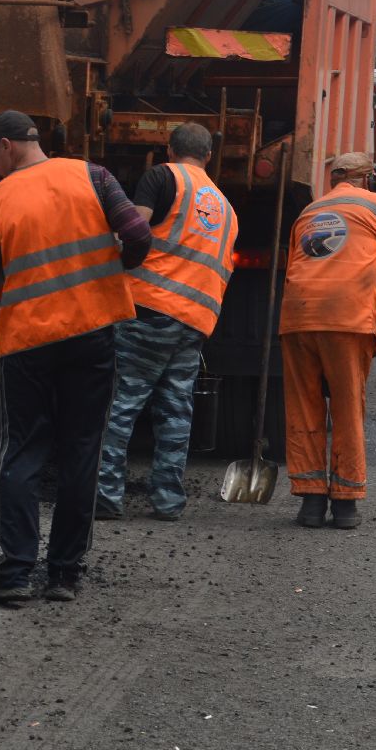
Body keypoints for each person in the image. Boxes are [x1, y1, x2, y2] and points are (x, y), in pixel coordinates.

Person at [0, 110, 152, 604]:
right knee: (81, 451)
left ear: (6, 145)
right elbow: (138, 236)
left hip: (27, 346)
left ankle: (16, 574)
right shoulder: (94, 177)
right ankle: (65, 574)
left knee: (21, 453)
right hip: (92, 335)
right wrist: (117, 268)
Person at [279, 152, 376, 529]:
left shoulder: (310, 211)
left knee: (304, 406)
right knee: (347, 409)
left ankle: (311, 503)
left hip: (297, 315)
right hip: (345, 316)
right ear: (369, 179)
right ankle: (345, 504)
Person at [96, 123, 236, 522]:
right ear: (209, 156)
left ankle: (105, 496)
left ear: (169, 149)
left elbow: (135, 231)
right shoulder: (225, 207)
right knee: (176, 410)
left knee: (120, 403)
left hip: (150, 308)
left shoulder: (162, 176)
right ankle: (168, 501)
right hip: (195, 320)